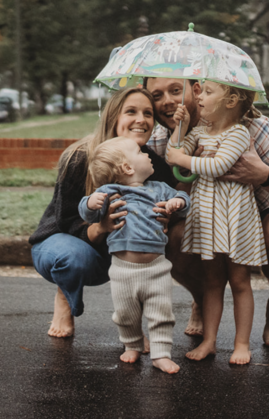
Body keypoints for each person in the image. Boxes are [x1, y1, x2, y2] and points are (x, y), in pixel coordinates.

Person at [144, 76, 269, 348]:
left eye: (176, 91)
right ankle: (201, 300)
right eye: (156, 95)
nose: (167, 101)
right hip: (207, 215)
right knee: (168, 236)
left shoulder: (249, 127)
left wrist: (265, 174)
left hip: (258, 211)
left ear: (197, 90)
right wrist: (185, 157)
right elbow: (167, 178)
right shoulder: (160, 138)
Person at [29, 86, 178, 339]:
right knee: (71, 258)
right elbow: (64, 222)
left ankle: (139, 328)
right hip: (66, 242)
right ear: (113, 117)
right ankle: (65, 296)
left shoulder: (152, 165)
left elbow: (172, 200)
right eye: (131, 111)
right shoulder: (79, 158)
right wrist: (101, 227)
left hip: (122, 253)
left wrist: (167, 214)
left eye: (148, 113)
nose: (141, 120)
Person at [166, 81, 266, 365]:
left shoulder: (237, 133)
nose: (200, 97)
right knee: (211, 280)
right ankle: (209, 341)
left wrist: (183, 157)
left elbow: (218, 166)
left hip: (233, 217)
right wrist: (180, 128)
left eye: (208, 92)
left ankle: (241, 343)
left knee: (239, 279)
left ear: (231, 100)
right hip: (208, 216)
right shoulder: (199, 131)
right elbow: (173, 154)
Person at [79, 136, 190, 374]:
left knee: (161, 314)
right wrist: (90, 203)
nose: (147, 155)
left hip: (157, 268)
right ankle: (132, 345)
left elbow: (184, 199)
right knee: (126, 314)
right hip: (122, 270)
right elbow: (88, 215)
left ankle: (161, 354)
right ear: (127, 168)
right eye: (140, 152)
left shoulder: (159, 188)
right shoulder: (109, 192)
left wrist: (178, 202)